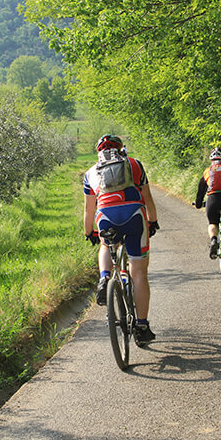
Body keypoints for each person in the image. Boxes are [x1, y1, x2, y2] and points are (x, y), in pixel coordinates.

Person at [84, 134, 159, 346]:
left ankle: (104, 278)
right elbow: (147, 197)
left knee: (106, 244)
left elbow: (89, 209)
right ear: (121, 149)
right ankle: (142, 326)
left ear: (99, 152)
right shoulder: (134, 164)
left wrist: (89, 232)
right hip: (134, 215)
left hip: (106, 216)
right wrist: (152, 221)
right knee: (138, 273)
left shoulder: (90, 172)